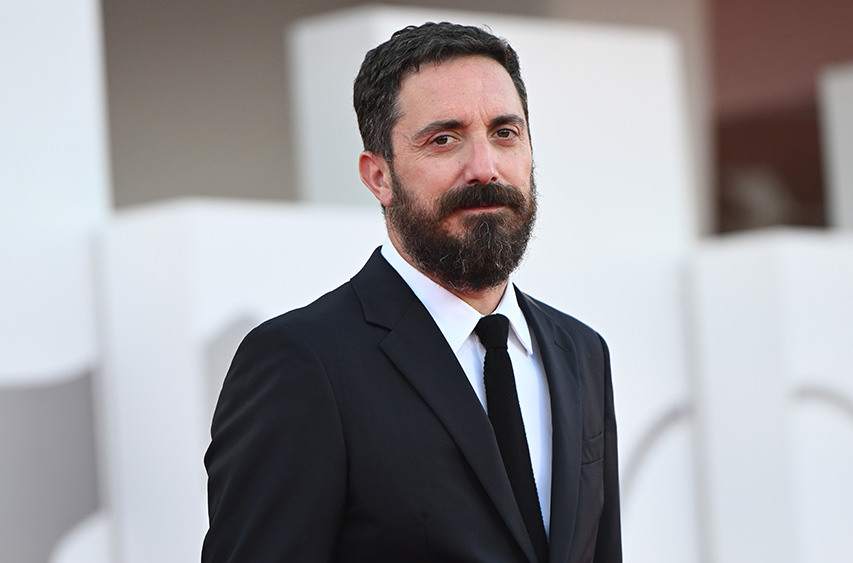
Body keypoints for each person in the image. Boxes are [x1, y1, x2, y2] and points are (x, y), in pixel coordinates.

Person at [202, 21, 621, 563]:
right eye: (443, 139)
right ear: (379, 176)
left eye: (505, 133)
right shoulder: (303, 363)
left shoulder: (582, 352)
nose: (484, 168)